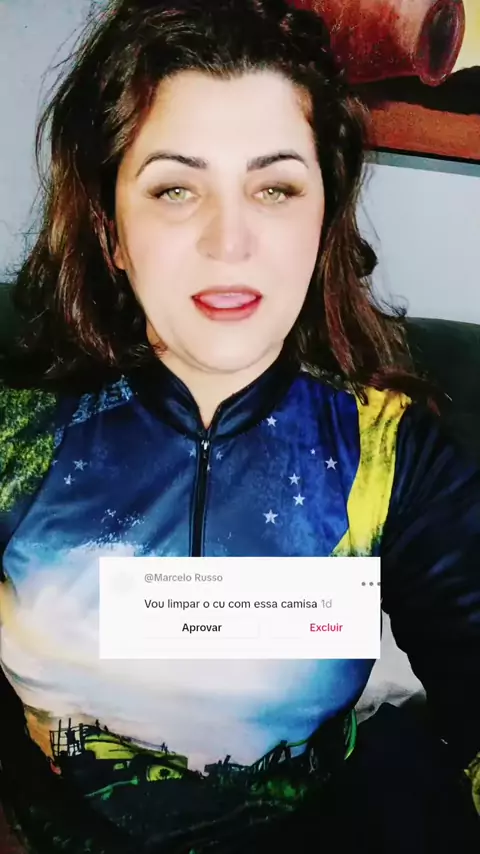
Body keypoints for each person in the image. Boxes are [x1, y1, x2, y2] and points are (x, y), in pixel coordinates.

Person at [0, 0, 479, 852]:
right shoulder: (18, 437)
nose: (231, 242)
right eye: (176, 188)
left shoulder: (390, 455)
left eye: (275, 187)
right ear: (111, 231)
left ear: (323, 217)